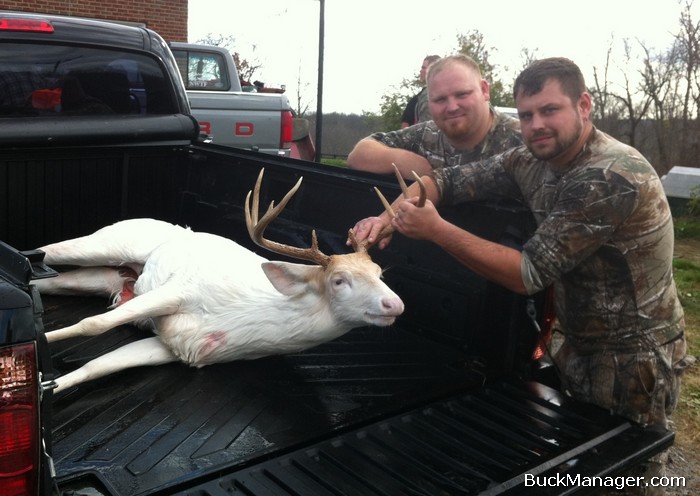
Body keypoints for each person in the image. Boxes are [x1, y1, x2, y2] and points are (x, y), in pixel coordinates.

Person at [351, 57, 690, 494]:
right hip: (576, 342)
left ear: (583, 105)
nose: (536, 125)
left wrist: (436, 230)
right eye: (527, 115)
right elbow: (448, 181)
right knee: (578, 470)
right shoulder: (530, 158)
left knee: (623, 477)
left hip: (634, 356)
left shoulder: (609, 175)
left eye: (550, 110)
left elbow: (527, 273)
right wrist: (390, 216)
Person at [347, 54, 522, 178]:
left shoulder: (523, 141)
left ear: (484, 90)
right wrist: (401, 160)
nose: (452, 107)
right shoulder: (426, 134)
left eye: (462, 95)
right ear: (428, 101)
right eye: (440, 99)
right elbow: (358, 155)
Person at [400, 55, 441, 128]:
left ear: (432, 69)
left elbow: (426, 127)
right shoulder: (423, 94)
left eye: (423, 68)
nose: (421, 71)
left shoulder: (429, 93)